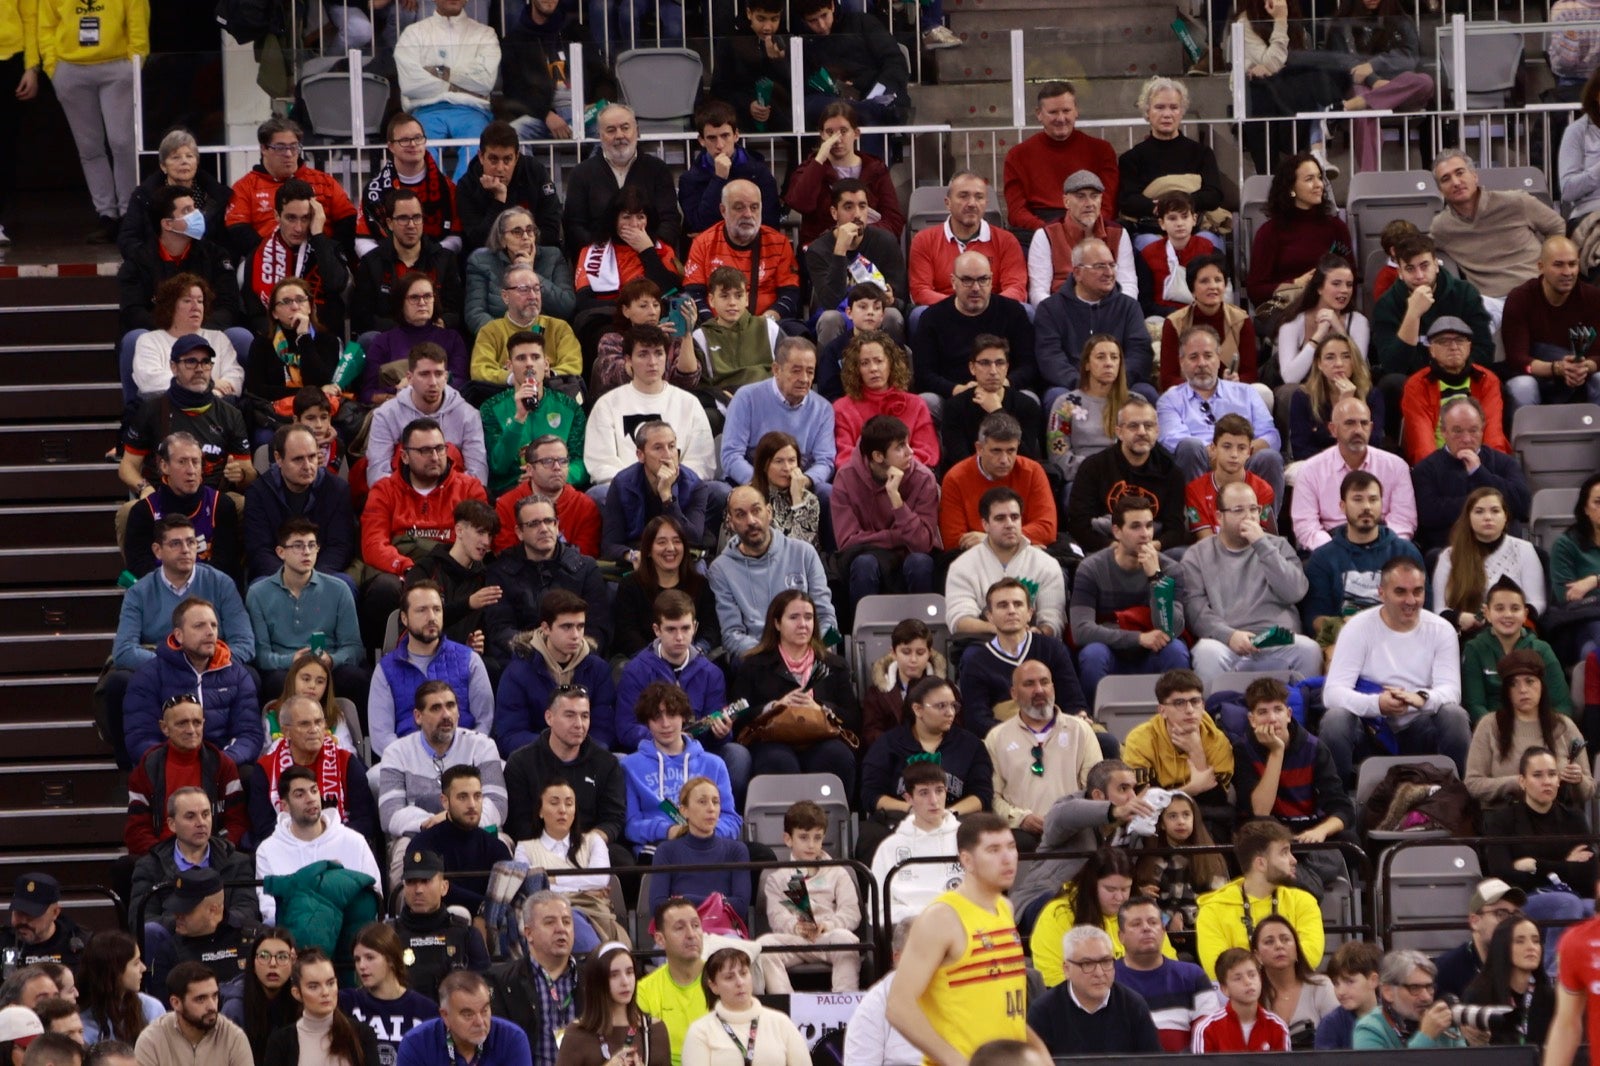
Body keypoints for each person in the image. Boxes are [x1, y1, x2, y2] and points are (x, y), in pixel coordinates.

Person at [885, 813, 1046, 1062]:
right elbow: (898, 1006)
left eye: (1011, 847)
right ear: (967, 860)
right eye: (993, 850)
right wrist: (956, 1061)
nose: (1007, 858)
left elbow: (1003, 1010)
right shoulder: (942, 918)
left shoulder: (1005, 908)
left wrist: (1041, 1054)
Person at [1321, 556, 1472, 781]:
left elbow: (1451, 691)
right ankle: (1338, 801)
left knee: (1454, 715)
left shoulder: (1442, 630)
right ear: (1381, 593)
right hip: (1371, 728)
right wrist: (1377, 704)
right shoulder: (1357, 627)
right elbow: (1332, 694)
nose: (1411, 600)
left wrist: (1421, 698)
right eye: (1400, 592)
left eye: (1418, 592)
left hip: (1420, 726)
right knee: (1335, 720)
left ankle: (1458, 792)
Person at [1178, 480, 1320, 680]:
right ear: (1219, 517)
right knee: (1206, 652)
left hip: (1277, 639)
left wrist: (1262, 545)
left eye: (1254, 509)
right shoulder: (1197, 555)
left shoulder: (1277, 546)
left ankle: (1300, 709)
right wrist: (1229, 636)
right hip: (1227, 642)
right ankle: (1213, 711)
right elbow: (1195, 610)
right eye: (1238, 510)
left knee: (1310, 649)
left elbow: (1295, 592)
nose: (1249, 516)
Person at [1232, 677, 1356, 893]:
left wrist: (1321, 831)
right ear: (1252, 720)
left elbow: (1342, 808)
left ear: (1288, 714)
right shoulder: (1243, 750)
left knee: (1350, 841)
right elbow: (1259, 811)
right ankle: (1304, 878)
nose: (1272, 718)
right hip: (1269, 834)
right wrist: (1276, 752)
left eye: (1277, 710)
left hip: (1308, 834)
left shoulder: (1314, 748)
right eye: (1263, 712)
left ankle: (1300, 876)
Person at [730, 590, 861, 790]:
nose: (803, 624)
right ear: (777, 623)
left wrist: (820, 707)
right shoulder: (754, 665)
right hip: (772, 740)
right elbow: (738, 715)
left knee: (838, 756)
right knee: (778, 762)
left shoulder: (834, 665)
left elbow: (854, 718)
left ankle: (831, 819)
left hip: (821, 738)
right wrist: (774, 706)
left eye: (808, 617)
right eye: (794, 617)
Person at [37, 0, 144, 241]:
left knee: (122, 142)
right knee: (89, 147)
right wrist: (53, 67)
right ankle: (107, 215)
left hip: (117, 67)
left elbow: (137, 22)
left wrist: (134, 63)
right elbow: (46, 26)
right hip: (70, 69)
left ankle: (129, 214)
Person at [1069, 495, 1191, 702]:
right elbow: (1081, 631)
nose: (1145, 534)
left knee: (1176, 650)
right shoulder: (1091, 568)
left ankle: (1177, 713)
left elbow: (1172, 628)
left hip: (1154, 651)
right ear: (1117, 531)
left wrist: (1156, 578)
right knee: (1093, 654)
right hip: (1111, 651)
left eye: (1149, 526)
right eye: (1135, 527)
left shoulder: (1170, 569)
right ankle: (1094, 723)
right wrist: (1138, 639)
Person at [123, 598, 261, 771]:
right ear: (178, 635)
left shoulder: (237, 675)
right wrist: (178, 764)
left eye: (214, 625)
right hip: (170, 768)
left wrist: (221, 761)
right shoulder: (149, 676)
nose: (210, 632)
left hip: (220, 766)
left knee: (249, 775)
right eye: (199, 626)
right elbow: (140, 737)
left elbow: (249, 735)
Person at [377, 683, 507, 867]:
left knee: (503, 843)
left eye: (451, 706)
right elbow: (390, 815)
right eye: (436, 708)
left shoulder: (482, 746)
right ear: (418, 716)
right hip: (419, 835)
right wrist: (435, 824)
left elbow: (498, 806)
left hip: (477, 831)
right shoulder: (396, 752)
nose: (446, 715)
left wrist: (451, 820)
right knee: (401, 853)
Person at [502, 683, 630, 867]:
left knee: (622, 860)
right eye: (569, 715)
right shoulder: (521, 762)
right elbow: (518, 822)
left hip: (589, 844)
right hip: (538, 845)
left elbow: (613, 819)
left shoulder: (606, 762)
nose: (579, 724)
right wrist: (556, 846)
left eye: (584, 716)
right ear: (549, 717)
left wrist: (587, 843)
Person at [481, 493, 610, 668]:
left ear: (557, 526)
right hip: (524, 662)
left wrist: (568, 652)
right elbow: (500, 630)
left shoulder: (586, 568)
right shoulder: (500, 572)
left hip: (577, 659)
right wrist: (543, 651)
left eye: (549, 521)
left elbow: (598, 628)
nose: (544, 529)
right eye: (534, 524)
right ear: (519, 532)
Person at [368, 582, 495, 758]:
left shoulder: (469, 660)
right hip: (408, 763)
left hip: (465, 759)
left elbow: (485, 721)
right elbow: (381, 736)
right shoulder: (386, 669)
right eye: (422, 610)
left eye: (437, 609)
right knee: (373, 778)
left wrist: (462, 755)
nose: (431, 617)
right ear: (404, 619)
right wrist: (417, 761)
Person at [119, 334, 253, 501]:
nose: (199, 368)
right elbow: (127, 466)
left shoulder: (230, 414)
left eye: (205, 362)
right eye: (191, 362)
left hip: (214, 501)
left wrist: (240, 475)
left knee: (243, 505)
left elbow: (248, 473)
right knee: (127, 513)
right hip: (162, 498)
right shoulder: (151, 409)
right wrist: (144, 488)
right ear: (173, 367)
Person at [709, 487, 838, 658]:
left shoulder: (804, 553)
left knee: (838, 669)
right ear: (730, 522)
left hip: (807, 652)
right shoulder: (721, 569)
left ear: (769, 512)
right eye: (741, 515)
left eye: (756, 510)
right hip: (758, 659)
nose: (751, 521)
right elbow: (732, 635)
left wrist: (813, 651)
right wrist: (777, 658)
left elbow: (826, 616)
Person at [1158, 326, 1281, 503]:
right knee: (1189, 447)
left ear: (1218, 358)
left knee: (1270, 457)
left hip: (1245, 461)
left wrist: (1238, 451)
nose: (1201, 363)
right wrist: (1219, 453)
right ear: (1181, 361)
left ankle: (1264, 526)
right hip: (1200, 462)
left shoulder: (1246, 392)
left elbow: (1271, 436)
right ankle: (1196, 522)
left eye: (1208, 356)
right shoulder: (1170, 399)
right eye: (1193, 357)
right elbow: (1173, 441)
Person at [586, 325, 718, 489]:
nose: (652, 362)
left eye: (658, 353)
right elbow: (601, 463)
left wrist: (671, 482)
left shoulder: (688, 402)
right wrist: (641, 485)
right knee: (599, 493)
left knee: (718, 491)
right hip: (627, 491)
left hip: (679, 487)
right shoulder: (607, 404)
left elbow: (702, 461)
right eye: (643, 354)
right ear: (628, 360)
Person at [621, 684, 742, 861]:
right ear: (647, 722)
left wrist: (704, 831)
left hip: (709, 842)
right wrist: (669, 831)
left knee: (756, 853)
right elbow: (631, 826)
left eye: (671, 714)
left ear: (684, 717)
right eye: (656, 717)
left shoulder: (714, 764)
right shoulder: (630, 766)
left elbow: (731, 820)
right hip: (661, 844)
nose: (665, 724)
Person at [860, 674, 993, 835]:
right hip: (900, 824)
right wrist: (911, 810)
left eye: (953, 706)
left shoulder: (971, 745)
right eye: (941, 706)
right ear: (917, 709)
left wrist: (949, 814)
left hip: (957, 825)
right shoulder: (887, 745)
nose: (950, 712)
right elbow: (871, 795)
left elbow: (982, 794)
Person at [122, 692, 249, 861]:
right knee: (124, 866)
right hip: (162, 859)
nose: (191, 730)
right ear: (164, 728)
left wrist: (213, 851)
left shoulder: (221, 764)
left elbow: (237, 822)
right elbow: (137, 830)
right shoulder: (148, 766)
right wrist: (167, 857)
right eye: (182, 723)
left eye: (197, 722)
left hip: (213, 857)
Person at [1430, 148, 1565, 305]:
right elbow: (1420, 249)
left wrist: (1549, 265)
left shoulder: (1516, 202)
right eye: (1446, 179)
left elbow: (1557, 226)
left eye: (1460, 173)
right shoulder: (1442, 227)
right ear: (1440, 190)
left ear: (1474, 176)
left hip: (1535, 290)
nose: (1456, 182)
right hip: (1489, 301)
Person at [832, 414, 941, 607]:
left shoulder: (923, 478)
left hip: (910, 555)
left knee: (920, 562)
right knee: (864, 564)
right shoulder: (846, 478)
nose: (910, 452)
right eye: (900, 447)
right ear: (878, 456)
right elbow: (848, 542)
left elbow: (923, 543)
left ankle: (925, 632)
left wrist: (896, 501)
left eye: (908, 444)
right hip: (869, 558)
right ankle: (860, 633)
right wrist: (896, 537)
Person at [752, 800, 860, 993]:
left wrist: (830, 925)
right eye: (803, 837)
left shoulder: (838, 872)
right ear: (788, 839)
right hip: (795, 939)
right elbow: (778, 917)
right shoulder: (777, 878)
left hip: (827, 937)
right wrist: (797, 927)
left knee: (847, 939)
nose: (811, 845)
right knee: (764, 946)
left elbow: (851, 911)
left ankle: (843, 1007)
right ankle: (787, 1009)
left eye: (817, 838)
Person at [118, 187, 244, 354]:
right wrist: (172, 331)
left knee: (240, 336)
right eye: (187, 211)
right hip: (157, 336)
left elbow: (228, 305)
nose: (197, 215)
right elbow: (133, 310)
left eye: (195, 208)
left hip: (209, 332)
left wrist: (198, 331)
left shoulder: (216, 255)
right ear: (167, 224)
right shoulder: (138, 260)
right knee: (133, 338)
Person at [910, 251, 1038, 413]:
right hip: (953, 396)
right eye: (967, 280)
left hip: (1002, 391)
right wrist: (956, 389)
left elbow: (1029, 365)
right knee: (927, 401)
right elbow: (924, 374)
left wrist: (1004, 384)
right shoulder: (932, 317)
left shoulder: (1013, 312)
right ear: (953, 281)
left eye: (983, 279)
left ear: (991, 280)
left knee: (1030, 398)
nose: (976, 288)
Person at [1195, 820, 1324, 980]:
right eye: (1284, 852)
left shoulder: (1304, 902)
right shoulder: (1213, 910)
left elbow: (1310, 956)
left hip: (1292, 990)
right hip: (1239, 997)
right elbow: (1217, 967)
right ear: (1261, 863)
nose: (1293, 860)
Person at [494, 586, 616, 756]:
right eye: (566, 627)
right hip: (537, 760)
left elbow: (604, 729)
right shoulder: (518, 672)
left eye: (580, 627)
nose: (575, 635)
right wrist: (557, 749)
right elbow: (510, 734)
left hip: (587, 759)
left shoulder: (597, 668)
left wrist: (578, 754)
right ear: (546, 628)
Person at [255, 766, 383, 924]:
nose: (310, 799)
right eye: (300, 794)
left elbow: (374, 899)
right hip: (294, 938)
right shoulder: (268, 850)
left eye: (314, 791)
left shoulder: (354, 841)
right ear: (285, 806)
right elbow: (270, 912)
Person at [1033, 848, 1177, 985]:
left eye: (1125, 889)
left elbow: (1169, 964)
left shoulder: (1141, 912)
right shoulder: (1059, 914)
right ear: (1091, 885)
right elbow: (1052, 976)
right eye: (1110, 889)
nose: (1119, 897)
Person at [1066, 394, 1190, 552]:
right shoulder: (1093, 467)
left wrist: (1151, 547)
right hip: (1106, 547)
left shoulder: (1171, 472)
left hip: (1153, 547)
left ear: (1157, 431)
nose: (1142, 432)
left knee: (1179, 557)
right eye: (1133, 426)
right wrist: (1120, 549)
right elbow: (1078, 525)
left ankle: (1158, 578)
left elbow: (1175, 529)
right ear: (1119, 432)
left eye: (1148, 426)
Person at [1291, 397, 1416, 551]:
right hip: (1330, 546)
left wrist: (1383, 550)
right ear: (1332, 429)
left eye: (1364, 423)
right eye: (1349, 423)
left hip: (1384, 544)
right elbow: (1306, 525)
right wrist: (1335, 552)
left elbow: (1403, 521)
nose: (1358, 430)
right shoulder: (1310, 470)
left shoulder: (1396, 466)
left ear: (1371, 428)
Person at [392, 0, 498, 181]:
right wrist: (461, 84)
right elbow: (410, 83)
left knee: (478, 148)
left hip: (472, 110)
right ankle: (437, 201)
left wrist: (439, 71)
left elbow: (485, 82)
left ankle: (458, 200)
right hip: (426, 110)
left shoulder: (485, 34)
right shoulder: (413, 34)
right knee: (418, 150)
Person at [130, 785, 258, 933]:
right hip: (174, 946)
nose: (201, 823)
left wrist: (207, 923)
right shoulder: (149, 867)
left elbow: (248, 910)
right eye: (190, 816)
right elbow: (141, 920)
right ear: (172, 824)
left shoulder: (236, 862)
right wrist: (193, 923)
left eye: (206, 814)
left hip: (222, 942)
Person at [1414, 399, 1533, 557]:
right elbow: (1429, 514)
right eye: (1457, 431)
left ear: (1482, 430)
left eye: (1473, 430)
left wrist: (1479, 472)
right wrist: (1486, 505)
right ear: (1443, 432)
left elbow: (1521, 504)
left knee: (1537, 554)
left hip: (1502, 549)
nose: (1467, 439)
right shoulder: (1425, 469)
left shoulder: (1504, 462)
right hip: (1450, 551)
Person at [511, 779, 623, 945]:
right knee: (568, 916)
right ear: (540, 811)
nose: (562, 810)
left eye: (569, 804)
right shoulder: (524, 848)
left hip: (595, 914)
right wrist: (583, 891)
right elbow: (532, 889)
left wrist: (552, 880)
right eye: (554, 803)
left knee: (574, 918)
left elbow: (599, 879)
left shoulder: (593, 841)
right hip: (547, 918)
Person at [946, 487, 1066, 639]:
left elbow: (1053, 619)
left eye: (1015, 517)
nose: (1009, 524)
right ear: (985, 525)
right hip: (984, 643)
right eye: (1000, 518)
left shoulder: (1046, 564)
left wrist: (1039, 632)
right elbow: (959, 620)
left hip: (1034, 642)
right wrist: (999, 629)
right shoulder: (962, 566)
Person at [121, 433, 241, 584]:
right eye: (182, 462)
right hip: (161, 595)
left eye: (195, 462)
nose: (191, 470)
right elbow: (140, 568)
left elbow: (227, 566)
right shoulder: (144, 512)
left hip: (210, 593)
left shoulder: (221, 505)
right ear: (164, 466)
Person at [1036, 239, 1154, 391]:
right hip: (1072, 387)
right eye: (1100, 266)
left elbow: (1140, 353)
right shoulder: (1050, 309)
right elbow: (1050, 358)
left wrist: (1115, 382)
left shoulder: (1129, 307)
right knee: (1057, 396)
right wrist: (1084, 385)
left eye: (1112, 265)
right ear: (1078, 273)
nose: (1109, 273)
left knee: (1145, 392)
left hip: (1120, 385)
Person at [1003, 81, 1118, 237]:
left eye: (1066, 110)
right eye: (1053, 112)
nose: (1061, 118)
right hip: (1038, 229)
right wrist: (1051, 232)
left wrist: (1084, 229)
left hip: (1090, 225)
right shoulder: (1017, 155)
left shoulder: (1102, 150)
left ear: (1076, 111)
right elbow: (1017, 212)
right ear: (1039, 114)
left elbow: (1107, 206)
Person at [683, 180, 802, 331]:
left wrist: (766, 320)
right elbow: (693, 295)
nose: (748, 214)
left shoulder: (779, 243)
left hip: (765, 325)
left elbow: (790, 295)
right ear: (723, 210)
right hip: (714, 327)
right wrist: (715, 325)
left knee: (796, 332)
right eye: (739, 208)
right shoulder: (703, 243)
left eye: (754, 207)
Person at [1030, 925, 1163, 1056]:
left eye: (1106, 962)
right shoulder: (1043, 1011)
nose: (1099, 973)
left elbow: (1153, 1061)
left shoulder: (1133, 1005)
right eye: (1087, 964)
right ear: (1067, 969)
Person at [1117, 77, 1227, 234]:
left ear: (1182, 112)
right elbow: (1128, 200)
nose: (1167, 114)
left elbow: (1214, 194)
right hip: (1150, 230)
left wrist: (1180, 205)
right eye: (1159, 107)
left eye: (1174, 107)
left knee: (1207, 244)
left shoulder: (1202, 153)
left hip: (1196, 228)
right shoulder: (1131, 158)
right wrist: (1159, 208)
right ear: (1147, 112)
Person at [350, 188, 465, 338]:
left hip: (433, 338)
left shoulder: (444, 259)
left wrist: (442, 322)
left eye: (417, 217)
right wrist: (404, 328)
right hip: (389, 340)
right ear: (390, 223)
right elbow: (362, 317)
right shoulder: (371, 262)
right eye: (403, 218)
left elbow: (456, 311)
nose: (411, 225)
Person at [788, 108, 905, 252]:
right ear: (822, 135)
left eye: (843, 131)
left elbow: (894, 221)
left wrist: (859, 233)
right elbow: (800, 204)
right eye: (830, 132)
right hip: (822, 250)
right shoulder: (810, 168)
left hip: (867, 248)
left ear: (856, 133)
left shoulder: (875, 168)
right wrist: (819, 159)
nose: (837, 139)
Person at [1114, 896, 1222, 1051]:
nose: (1146, 928)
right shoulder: (1106, 979)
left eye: (1153, 922)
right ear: (1121, 936)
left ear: (1163, 931)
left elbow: (1209, 1039)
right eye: (1136, 924)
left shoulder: (1193, 977)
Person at [1246, 154, 1353, 309]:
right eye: (1309, 179)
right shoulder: (1270, 232)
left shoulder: (1337, 228)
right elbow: (1256, 290)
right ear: (1291, 188)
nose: (1319, 185)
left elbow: (1352, 277)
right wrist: (1295, 285)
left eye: (1319, 177)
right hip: (1288, 310)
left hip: (1331, 308)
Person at [1435, 490, 1546, 638]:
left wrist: (1506, 618)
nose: (1488, 517)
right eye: (1479, 511)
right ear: (1468, 517)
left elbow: (1537, 602)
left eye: (1495, 511)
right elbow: (1439, 610)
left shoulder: (1524, 550)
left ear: (1505, 516)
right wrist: (1460, 618)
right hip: (1466, 635)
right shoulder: (1449, 556)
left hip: (1514, 633)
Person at [484, 893, 580, 1065]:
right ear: (528, 933)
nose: (561, 929)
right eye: (550, 922)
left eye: (566, 922)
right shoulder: (501, 981)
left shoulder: (593, 979)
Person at [908, 172, 1029, 308]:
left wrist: (983, 308)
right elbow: (920, 291)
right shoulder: (924, 240)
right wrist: (960, 307)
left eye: (979, 197)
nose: (972, 203)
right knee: (918, 315)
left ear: (986, 204)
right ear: (948, 203)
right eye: (963, 196)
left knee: (1027, 311)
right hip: (943, 313)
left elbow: (1016, 288)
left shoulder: (1006, 241)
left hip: (995, 313)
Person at [940, 412, 1056, 552]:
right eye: (996, 451)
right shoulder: (955, 478)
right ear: (979, 449)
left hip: (1024, 557)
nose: (1004, 460)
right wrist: (1018, 542)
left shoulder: (1033, 471)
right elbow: (953, 540)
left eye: (1011, 451)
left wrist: (989, 540)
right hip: (977, 563)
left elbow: (1047, 528)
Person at [599, 422, 713, 563]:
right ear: (641, 455)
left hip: (678, 559)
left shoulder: (695, 486)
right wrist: (633, 556)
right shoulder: (621, 484)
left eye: (671, 446)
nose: (667, 455)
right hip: (638, 557)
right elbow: (610, 544)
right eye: (658, 448)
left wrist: (667, 497)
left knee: (700, 570)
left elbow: (693, 539)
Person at [386, 852, 492, 1004]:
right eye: (411, 882)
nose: (418, 890)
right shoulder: (388, 935)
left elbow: (485, 990)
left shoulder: (466, 935)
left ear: (444, 887)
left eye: (426, 881)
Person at [794, 0, 918, 129]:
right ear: (803, 20)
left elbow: (895, 62)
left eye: (824, 16)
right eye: (813, 21)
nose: (822, 25)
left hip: (877, 95)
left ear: (832, 6)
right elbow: (806, 84)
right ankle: (863, 109)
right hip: (835, 104)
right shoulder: (805, 42)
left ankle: (863, 109)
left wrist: (870, 91)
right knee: (810, 104)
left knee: (872, 116)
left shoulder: (863, 22)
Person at [126, 274, 245, 404]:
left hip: (214, 413)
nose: (196, 307)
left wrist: (209, 396)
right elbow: (149, 380)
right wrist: (210, 384)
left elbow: (234, 378)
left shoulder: (219, 338)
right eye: (187, 301)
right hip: (168, 415)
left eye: (200, 301)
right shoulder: (149, 340)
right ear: (170, 306)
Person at [649, 777, 753, 925]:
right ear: (684, 811)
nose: (711, 808)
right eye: (702, 802)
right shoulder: (666, 851)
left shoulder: (736, 850)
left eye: (715, 802)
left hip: (723, 934)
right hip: (679, 931)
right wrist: (718, 901)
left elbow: (740, 907)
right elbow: (657, 907)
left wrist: (682, 900)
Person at [612, 517, 720, 659]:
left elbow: (710, 629)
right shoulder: (630, 586)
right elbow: (626, 633)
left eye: (677, 541)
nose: (671, 548)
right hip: (646, 663)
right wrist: (658, 658)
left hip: (693, 659)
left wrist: (694, 654)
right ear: (648, 550)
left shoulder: (700, 584)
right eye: (661, 542)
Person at [117, 129, 234, 261]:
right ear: (163, 166)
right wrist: (152, 263)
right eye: (176, 157)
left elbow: (229, 243)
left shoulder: (215, 196)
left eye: (189, 156)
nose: (184, 161)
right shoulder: (144, 197)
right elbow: (128, 239)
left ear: (197, 162)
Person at [680, 948, 809, 1066]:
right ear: (714, 986)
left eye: (743, 973)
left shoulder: (781, 1023)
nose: (740, 982)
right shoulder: (700, 1031)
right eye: (729, 977)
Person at [468, 264, 583, 397]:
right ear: (505, 296)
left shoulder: (559, 328)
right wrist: (512, 377)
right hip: (506, 401)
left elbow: (573, 365)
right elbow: (480, 370)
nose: (533, 296)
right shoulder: (490, 331)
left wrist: (548, 374)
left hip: (553, 399)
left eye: (537, 289)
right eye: (524, 290)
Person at [1123, 669, 1232, 808]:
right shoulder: (1140, 739)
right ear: (1162, 710)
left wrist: (1197, 753)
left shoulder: (1218, 741)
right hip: (1156, 818)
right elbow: (1142, 801)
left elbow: (1217, 803)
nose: (1190, 710)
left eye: (1195, 701)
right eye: (1179, 703)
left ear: (1203, 705)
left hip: (1204, 815)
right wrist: (1190, 790)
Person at [1027, 170, 1137, 307]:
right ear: (1066, 201)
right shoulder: (1046, 235)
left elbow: (1128, 284)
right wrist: (1055, 314)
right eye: (1080, 197)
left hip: (1109, 309)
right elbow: (1038, 291)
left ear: (1101, 200)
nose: (1089, 203)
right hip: (1062, 312)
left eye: (1094, 196)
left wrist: (1119, 311)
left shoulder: (1118, 233)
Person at [939, 336, 1044, 474]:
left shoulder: (1027, 405)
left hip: (1013, 479)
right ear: (972, 368)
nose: (993, 371)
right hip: (970, 479)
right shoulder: (955, 407)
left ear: (1007, 367)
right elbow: (959, 459)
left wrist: (997, 411)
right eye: (985, 363)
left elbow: (1025, 457)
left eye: (999, 363)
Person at [555, 945, 670, 1066]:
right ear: (597, 981)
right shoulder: (577, 1034)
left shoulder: (655, 1030)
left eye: (629, 972)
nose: (625, 982)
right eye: (614, 975)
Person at [262, 949, 381, 1066]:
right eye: (313, 987)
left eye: (330, 983)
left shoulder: (362, 1035)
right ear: (297, 993)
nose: (325, 992)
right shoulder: (280, 1042)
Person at [339, 924, 439, 1062]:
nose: (361, 966)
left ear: (391, 959)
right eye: (357, 959)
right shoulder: (346, 1002)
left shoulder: (426, 1010)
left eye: (370, 957)